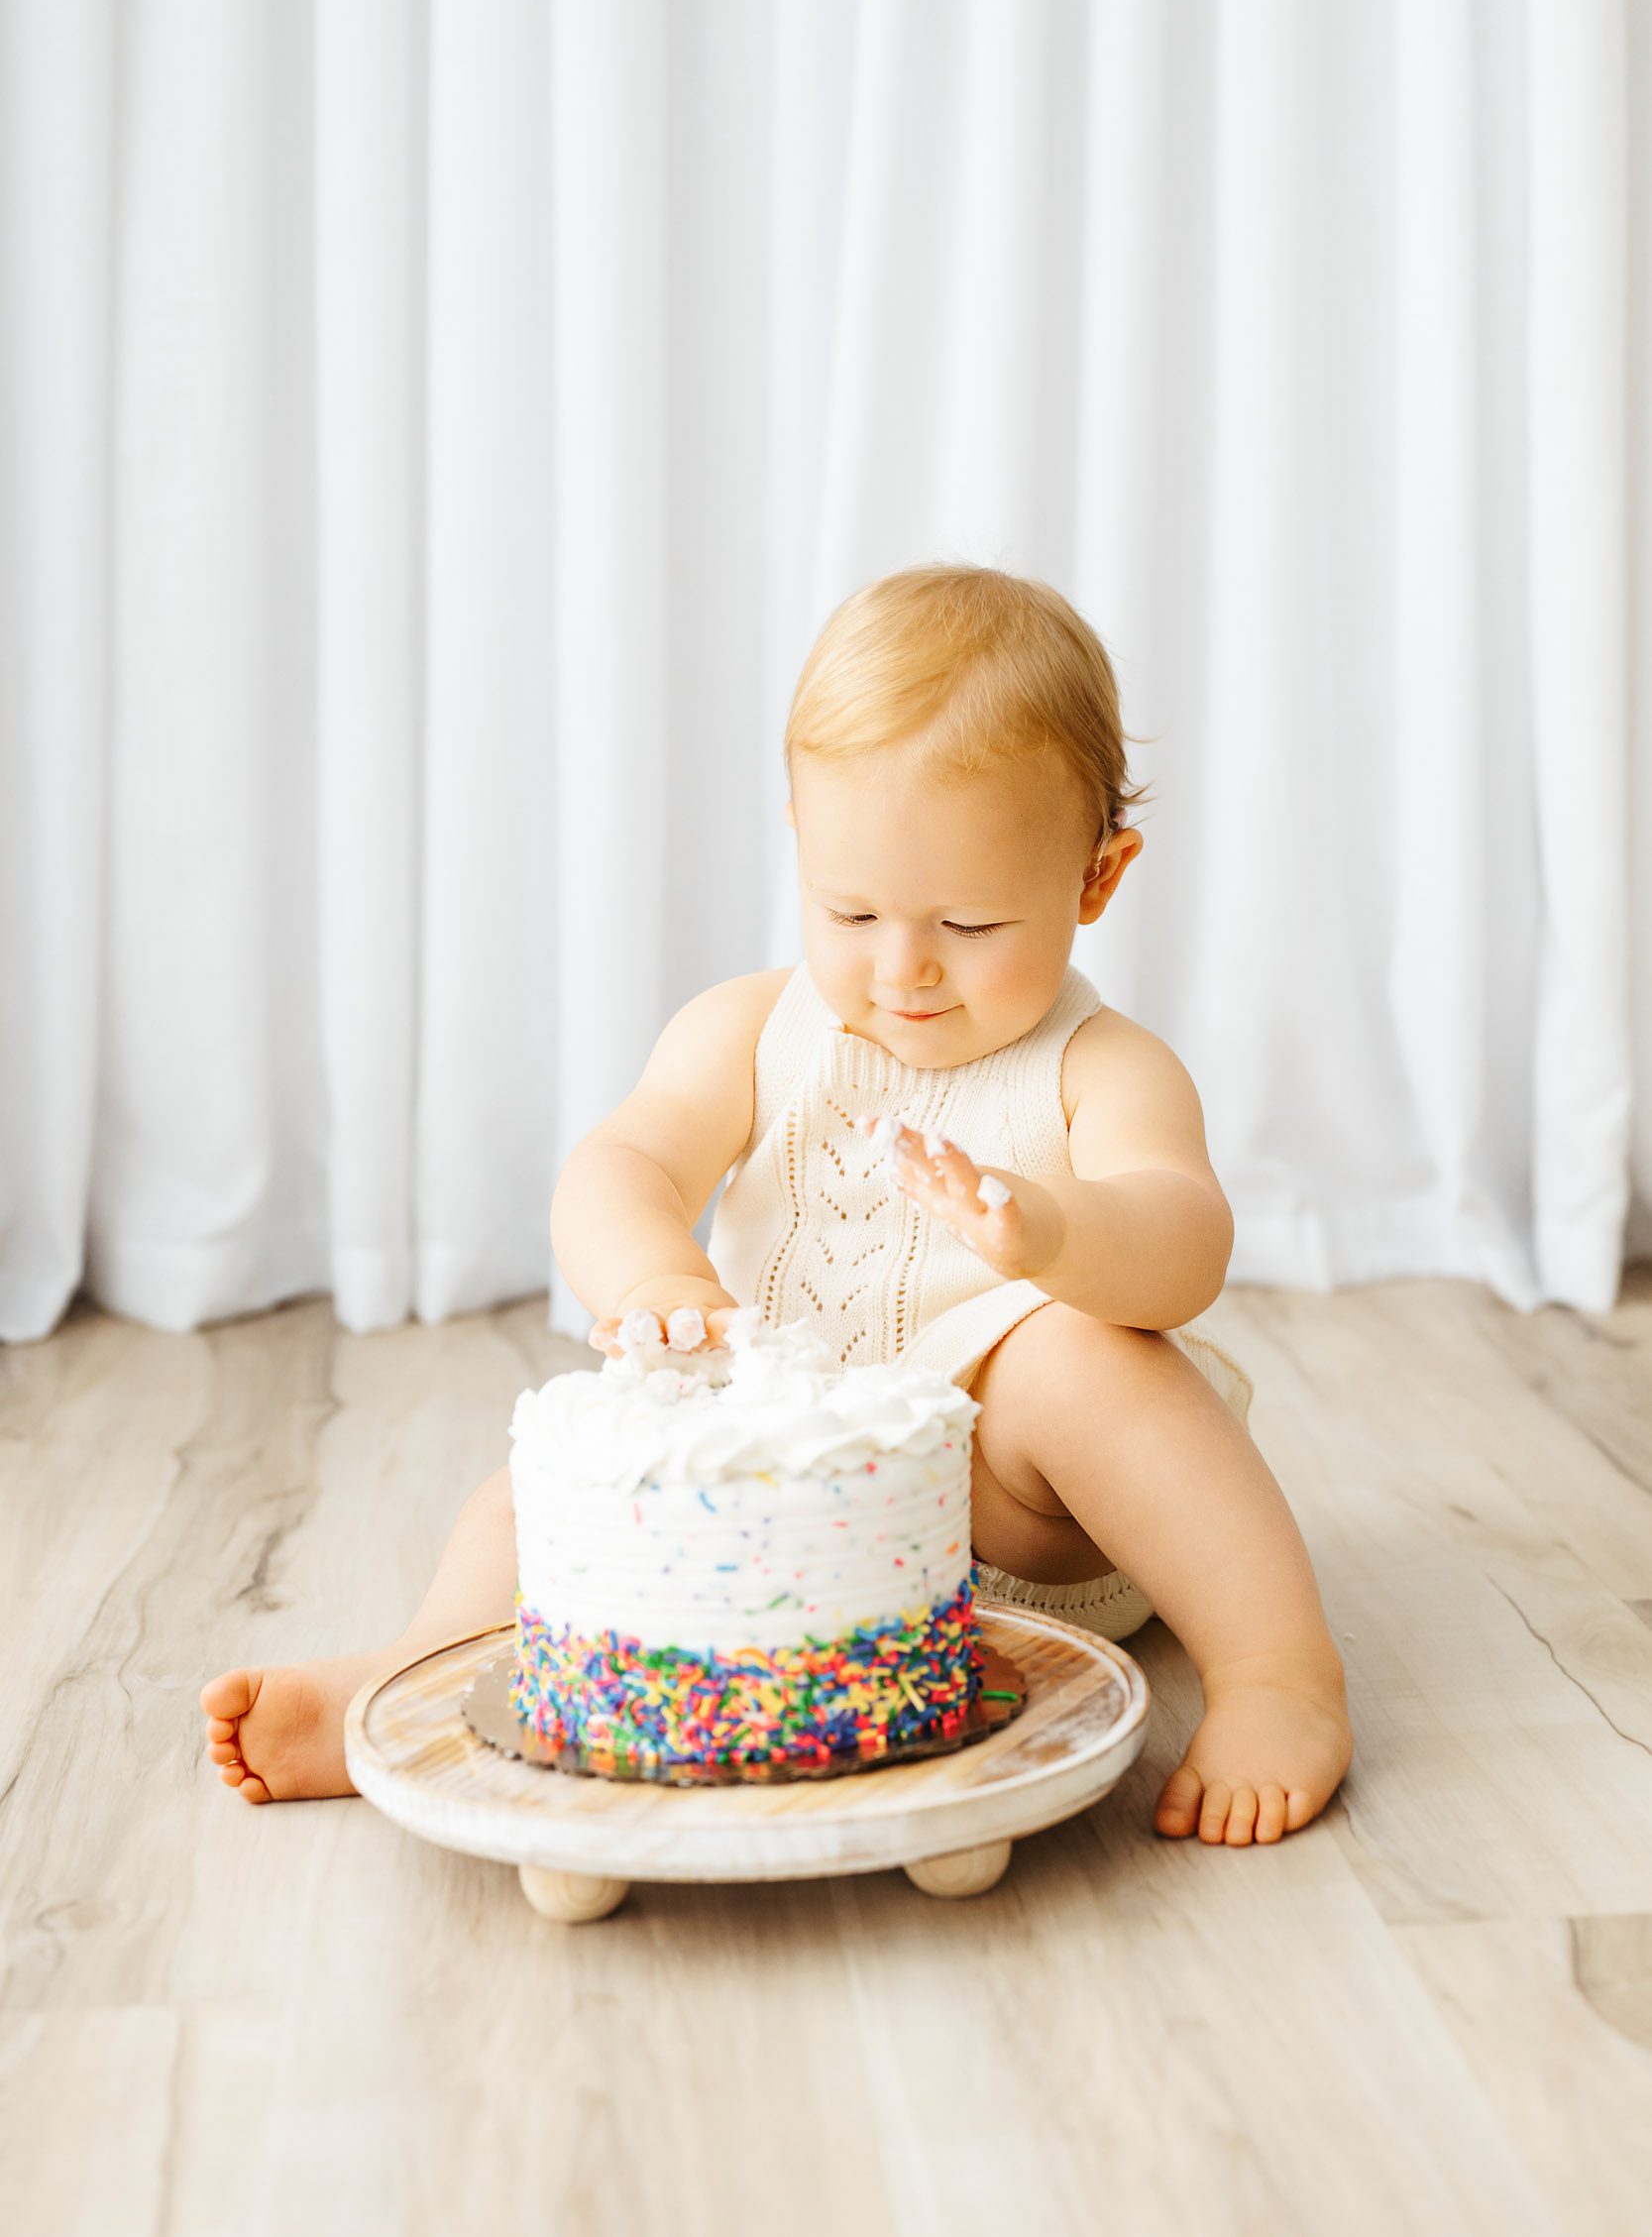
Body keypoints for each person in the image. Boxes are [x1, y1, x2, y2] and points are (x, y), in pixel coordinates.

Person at [203, 562, 1352, 1846]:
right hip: (779, 1507)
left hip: (1021, 1519)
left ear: (1095, 880)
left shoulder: (1103, 1068)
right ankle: (420, 1666)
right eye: (850, 909)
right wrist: (655, 1282)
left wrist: (1061, 1235)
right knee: (557, 1476)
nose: (902, 966)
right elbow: (621, 1166)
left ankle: (1279, 1677)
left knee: (1080, 1363)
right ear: (801, 841)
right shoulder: (749, 1031)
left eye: (971, 923)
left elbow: (1187, 1244)